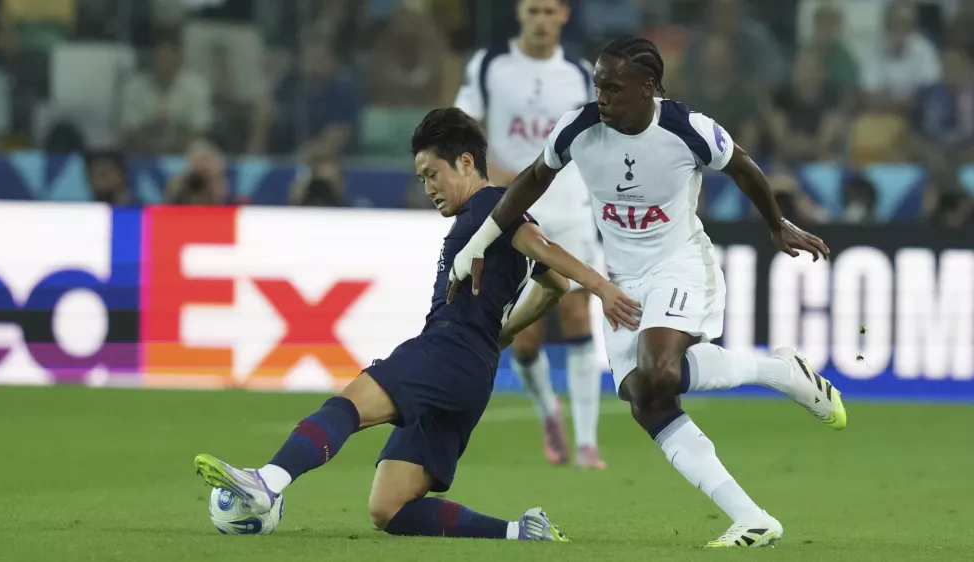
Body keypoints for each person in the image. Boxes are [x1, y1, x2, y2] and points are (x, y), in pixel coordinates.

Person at [446, 35, 846, 548]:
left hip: (679, 264)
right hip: (623, 276)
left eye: (612, 87)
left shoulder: (687, 129)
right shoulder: (579, 128)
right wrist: (479, 242)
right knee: (646, 399)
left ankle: (778, 374)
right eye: (597, 85)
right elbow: (529, 182)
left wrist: (777, 224)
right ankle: (754, 509)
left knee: (661, 370)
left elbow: (743, 166)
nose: (601, 97)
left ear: (649, 87)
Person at [192, 108, 641, 541]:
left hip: (446, 352)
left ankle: (267, 481)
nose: (428, 187)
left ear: (466, 162)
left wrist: (601, 287)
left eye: (433, 173)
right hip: (473, 370)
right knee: (389, 506)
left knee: (348, 406)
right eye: (421, 178)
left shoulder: (492, 205)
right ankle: (519, 531)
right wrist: (500, 336)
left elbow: (542, 248)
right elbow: (554, 286)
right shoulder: (483, 216)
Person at [453, 0, 606, 469]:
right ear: (521, 13)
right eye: (533, 9)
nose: (541, 19)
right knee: (524, 333)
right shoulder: (490, 65)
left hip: (571, 206)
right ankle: (548, 411)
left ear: (563, 16)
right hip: (514, 207)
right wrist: (486, 170)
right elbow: (461, 125)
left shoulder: (581, 73)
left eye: (550, 10)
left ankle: (587, 443)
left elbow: (600, 135)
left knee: (579, 312)